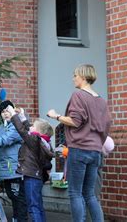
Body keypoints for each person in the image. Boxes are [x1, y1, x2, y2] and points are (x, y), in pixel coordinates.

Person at [47, 64, 111, 222]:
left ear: (83, 76)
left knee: (75, 193)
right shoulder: (102, 101)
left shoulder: (79, 95)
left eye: (75, 75)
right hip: (95, 151)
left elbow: (75, 121)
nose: (73, 78)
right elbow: (107, 125)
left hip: (79, 150)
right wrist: (97, 143)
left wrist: (55, 116)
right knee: (90, 194)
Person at [7, 106, 54, 222]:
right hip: (36, 176)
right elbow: (28, 129)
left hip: (31, 177)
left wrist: (13, 115)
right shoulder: (42, 141)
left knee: (33, 207)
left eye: (33, 126)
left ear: (38, 132)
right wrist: (22, 116)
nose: (30, 127)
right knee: (38, 206)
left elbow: (22, 131)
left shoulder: (34, 140)